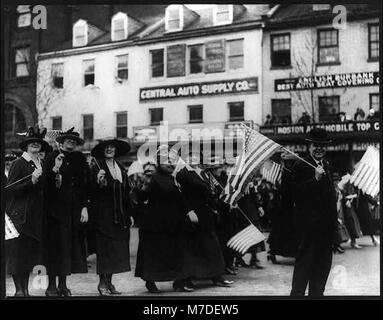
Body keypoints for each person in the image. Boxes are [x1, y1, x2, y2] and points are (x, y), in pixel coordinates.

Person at [134, 146, 192, 293]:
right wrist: (141, 185)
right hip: (156, 224)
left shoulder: (172, 178)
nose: (170, 164)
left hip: (173, 222)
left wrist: (188, 211)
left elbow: (179, 198)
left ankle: (179, 282)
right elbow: (141, 197)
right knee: (154, 254)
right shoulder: (152, 177)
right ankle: (150, 281)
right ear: (159, 162)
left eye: (172, 161)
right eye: (167, 161)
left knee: (176, 251)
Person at [290, 128, 338, 297]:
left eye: (323, 146)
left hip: (326, 231)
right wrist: (315, 179)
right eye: (316, 145)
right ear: (309, 146)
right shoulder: (300, 165)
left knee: (320, 277)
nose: (319, 148)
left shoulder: (326, 164)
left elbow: (328, 196)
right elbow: (294, 194)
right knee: (302, 276)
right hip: (308, 232)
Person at [43, 128, 89, 297]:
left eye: (74, 141)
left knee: (67, 249)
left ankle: (63, 285)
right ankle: (51, 286)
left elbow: (83, 185)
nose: (71, 143)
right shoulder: (51, 157)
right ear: (60, 142)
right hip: (54, 211)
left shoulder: (79, 159)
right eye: (68, 140)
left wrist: (84, 207)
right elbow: (45, 185)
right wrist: (55, 168)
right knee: (55, 248)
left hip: (73, 210)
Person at [5, 126, 49, 296]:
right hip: (20, 216)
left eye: (38, 143)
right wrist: (31, 180)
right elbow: (9, 189)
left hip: (35, 216)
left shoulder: (41, 163)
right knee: (18, 256)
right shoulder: (18, 163)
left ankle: (25, 290)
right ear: (26, 145)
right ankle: (19, 290)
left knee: (29, 256)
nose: (35, 145)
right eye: (32, 143)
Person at [89, 137, 132, 295]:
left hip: (120, 216)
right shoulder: (97, 167)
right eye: (106, 147)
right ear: (102, 150)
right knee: (105, 250)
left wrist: (129, 214)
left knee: (115, 250)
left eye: (112, 147)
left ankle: (110, 283)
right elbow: (90, 191)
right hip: (103, 216)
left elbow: (126, 194)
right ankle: (102, 284)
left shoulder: (121, 168)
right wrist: (97, 182)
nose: (109, 149)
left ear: (116, 150)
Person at [267, 152, 298, 264]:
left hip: (285, 208)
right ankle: (277, 252)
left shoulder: (287, 173)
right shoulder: (288, 174)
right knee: (289, 230)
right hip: (287, 207)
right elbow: (287, 191)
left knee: (280, 231)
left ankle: (273, 252)